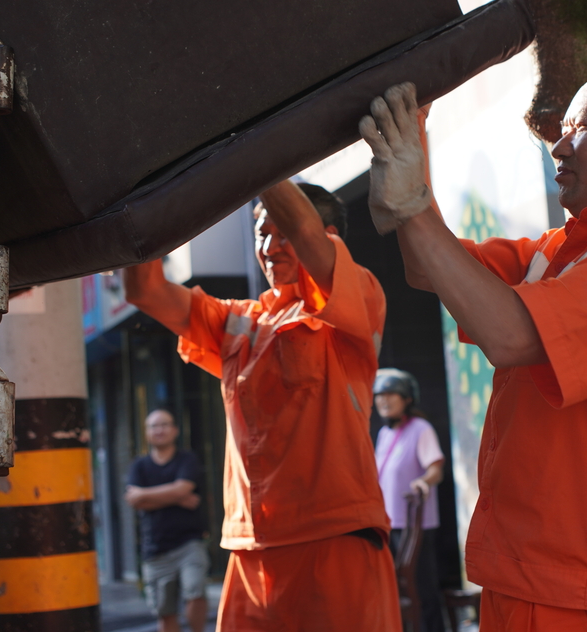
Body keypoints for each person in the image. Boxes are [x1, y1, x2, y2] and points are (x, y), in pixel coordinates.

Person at [359, 67, 587, 632]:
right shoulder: (568, 249)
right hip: (537, 575)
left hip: (584, 589)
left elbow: (510, 336)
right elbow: (430, 267)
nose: (560, 145)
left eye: (582, 128)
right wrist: (411, 137)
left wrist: (412, 202)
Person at [122, 181, 401, 631]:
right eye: (259, 232)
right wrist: (144, 194)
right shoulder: (239, 322)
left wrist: (256, 164)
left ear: (329, 235)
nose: (269, 247)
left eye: (281, 233)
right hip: (250, 550)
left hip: (332, 540)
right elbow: (145, 291)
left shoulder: (354, 302)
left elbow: (310, 238)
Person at [373, 368, 446, 632]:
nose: (384, 400)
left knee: (422, 588)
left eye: (391, 394)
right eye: (379, 395)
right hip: (390, 523)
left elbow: (436, 469)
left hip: (417, 526)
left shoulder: (421, 429)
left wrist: (422, 482)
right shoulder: (384, 434)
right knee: (397, 590)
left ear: (407, 398)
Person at [126, 408, 210, 632]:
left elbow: (183, 488)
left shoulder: (187, 459)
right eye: (154, 426)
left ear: (175, 430)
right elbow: (133, 501)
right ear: (147, 432)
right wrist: (176, 497)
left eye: (164, 425)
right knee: (165, 612)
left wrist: (145, 495)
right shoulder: (139, 465)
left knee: (196, 592)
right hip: (155, 548)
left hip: (189, 543)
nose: (159, 430)